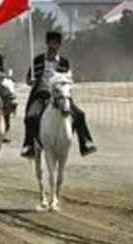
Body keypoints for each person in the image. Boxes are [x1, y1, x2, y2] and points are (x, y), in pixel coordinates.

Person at [21, 30, 97, 158]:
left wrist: (67, 86)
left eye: (55, 43)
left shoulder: (64, 62)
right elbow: (28, 79)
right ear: (47, 44)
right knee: (30, 116)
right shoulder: (38, 60)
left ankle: (85, 143)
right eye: (51, 43)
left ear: (59, 45)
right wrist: (31, 81)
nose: (53, 46)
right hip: (41, 94)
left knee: (80, 114)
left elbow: (69, 79)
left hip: (60, 95)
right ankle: (29, 146)